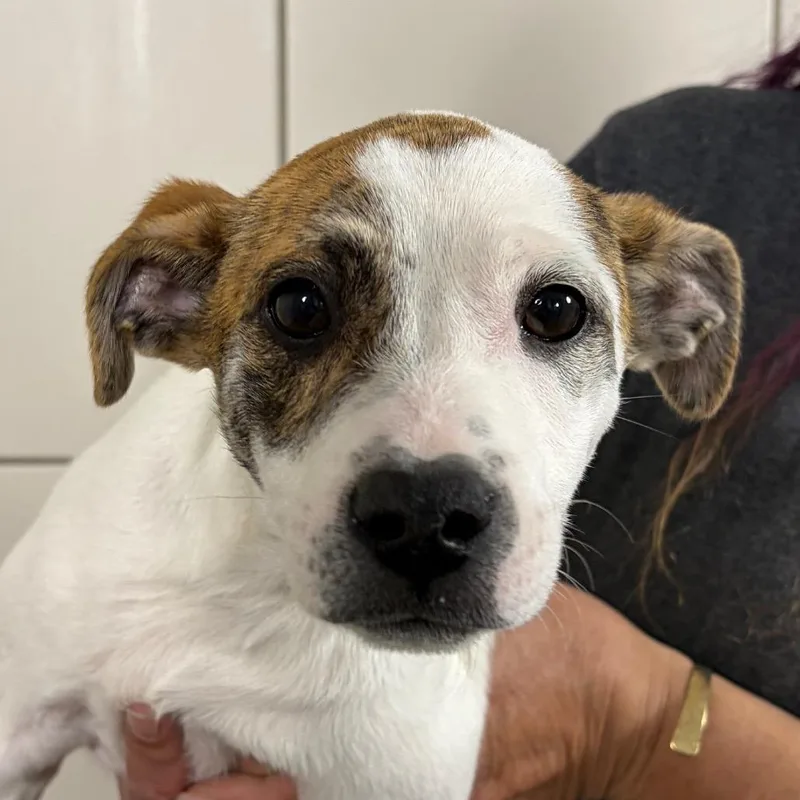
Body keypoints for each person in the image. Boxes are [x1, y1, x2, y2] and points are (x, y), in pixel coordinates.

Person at [118, 43, 800, 800]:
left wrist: (625, 719)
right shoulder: (684, 147)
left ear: (678, 317)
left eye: (553, 314)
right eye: (303, 309)